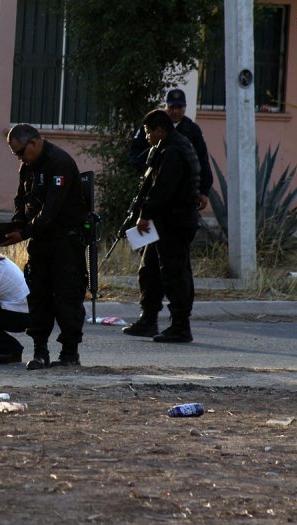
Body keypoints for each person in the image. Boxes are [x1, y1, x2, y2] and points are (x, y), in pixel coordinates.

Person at [2, 124, 88, 369]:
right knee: (38, 297)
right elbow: (22, 200)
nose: (20, 158)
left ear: (34, 143)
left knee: (67, 297)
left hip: (65, 243)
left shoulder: (59, 163)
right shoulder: (28, 166)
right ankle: (40, 351)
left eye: (21, 152)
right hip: (41, 242)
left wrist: (23, 233)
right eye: (16, 154)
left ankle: (69, 353)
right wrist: (15, 224)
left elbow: (51, 211)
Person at [121, 109, 200, 343]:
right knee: (150, 271)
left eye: (148, 132)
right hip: (162, 222)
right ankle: (148, 320)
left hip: (174, 222)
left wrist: (145, 215)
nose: (146, 137)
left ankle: (180, 326)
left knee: (175, 273)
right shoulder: (164, 148)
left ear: (160, 130)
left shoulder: (174, 150)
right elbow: (149, 184)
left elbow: (162, 188)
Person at [129, 88, 213, 210]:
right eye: (172, 107)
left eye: (179, 107)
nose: (175, 111)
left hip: (183, 192)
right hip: (155, 188)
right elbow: (135, 153)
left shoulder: (192, 130)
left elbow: (202, 160)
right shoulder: (152, 124)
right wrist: (151, 171)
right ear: (166, 106)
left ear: (185, 107)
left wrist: (204, 191)